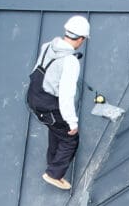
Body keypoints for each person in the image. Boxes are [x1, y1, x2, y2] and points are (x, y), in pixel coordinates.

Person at [25, 15, 90, 191]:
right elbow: (66, 95)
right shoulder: (70, 61)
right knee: (70, 138)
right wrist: (73, 122)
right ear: (81, 39)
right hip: (48, 103)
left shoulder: (48, 46)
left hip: (33, 96)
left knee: (56, 128)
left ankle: (52, 160)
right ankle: (54, 174)